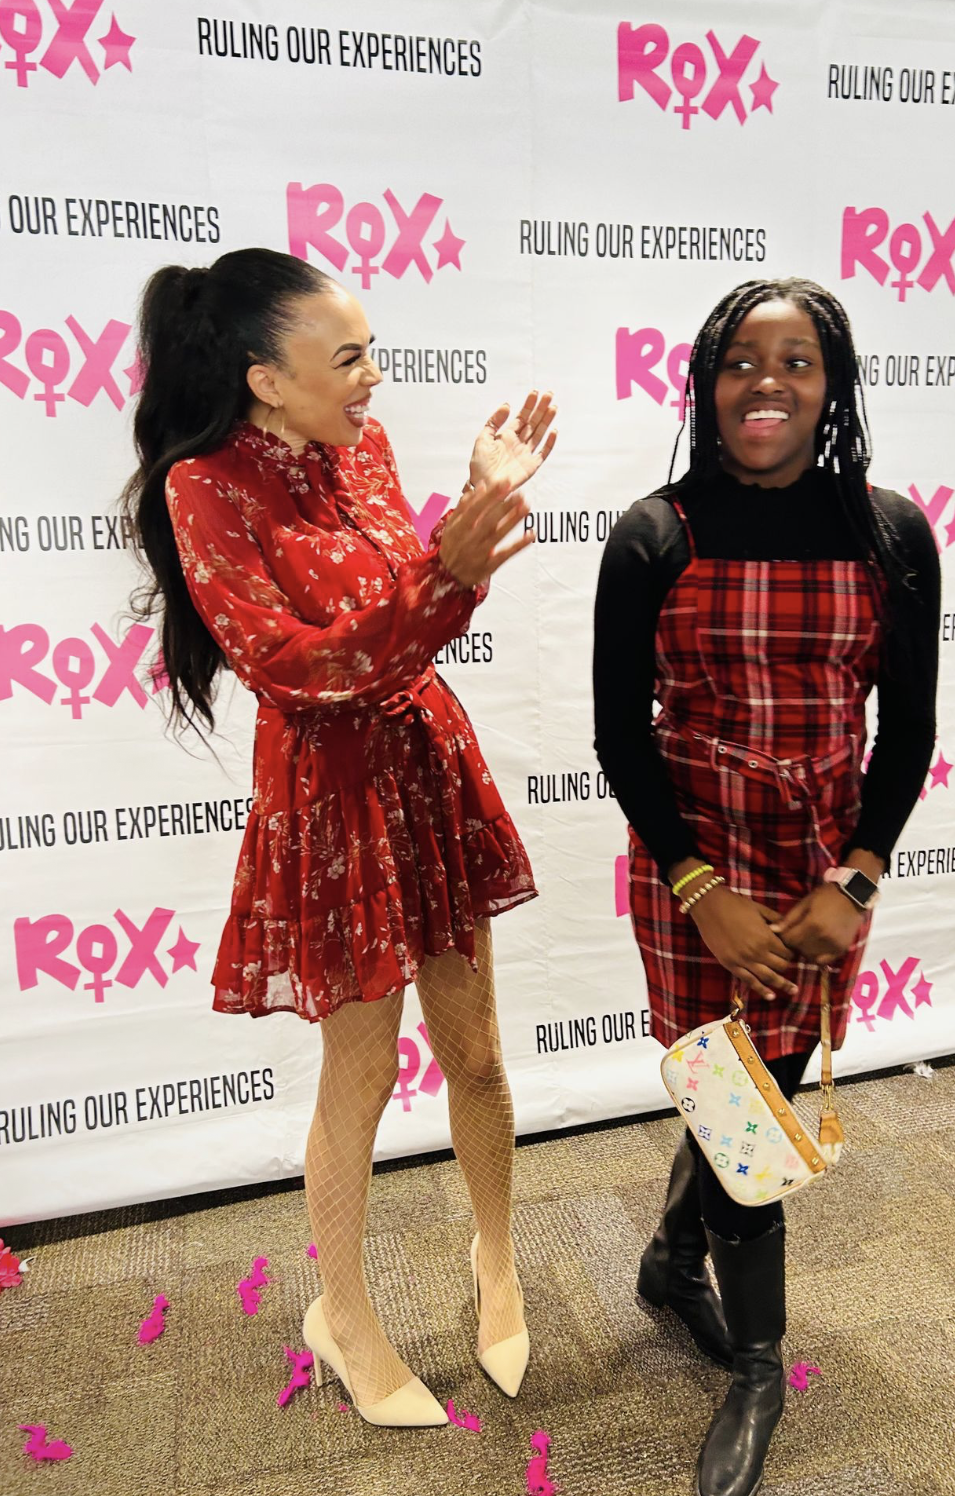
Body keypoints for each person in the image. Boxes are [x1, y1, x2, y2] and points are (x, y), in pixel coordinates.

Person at [122, 247, 556, 1426]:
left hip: (423, 767)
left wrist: (467, 515)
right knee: (358, 1074)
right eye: (349, 356)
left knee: (476, 1050)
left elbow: (399, 610)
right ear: (265, 377)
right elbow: (299, 667)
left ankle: (496, 1258)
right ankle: (344, 1313)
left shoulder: (363, 445)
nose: (374, 376)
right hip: (331, 797)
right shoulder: (203, 485)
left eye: (371, 349)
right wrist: (446, 575)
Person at [593, 278, 938, 1496]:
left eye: (798, 362)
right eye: (744, 361)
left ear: (831, 385)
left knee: (760, 1088)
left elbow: (905, 736)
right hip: (693, 865)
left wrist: (854, 877)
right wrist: (700, 887)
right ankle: (756, 1366)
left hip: (817, 876)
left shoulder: (891, 533)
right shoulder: (653, 533)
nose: (768, 386)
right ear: (706, 378)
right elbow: (618, 738)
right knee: (738, 1114)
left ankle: (673, 1262)